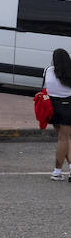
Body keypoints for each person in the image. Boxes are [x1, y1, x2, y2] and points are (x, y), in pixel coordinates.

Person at [44, 47, 71, 180]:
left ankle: (64, 171)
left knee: (64, 139)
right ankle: (57, 172)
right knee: (65, 139)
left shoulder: (48, 71)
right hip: (67, 107)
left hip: (52, 108)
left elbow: (44, 89)